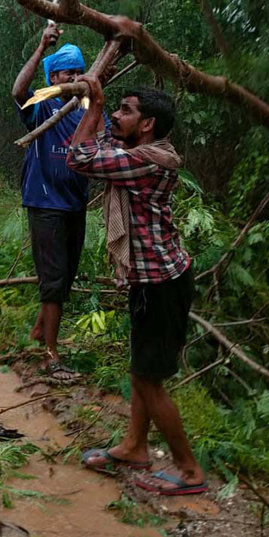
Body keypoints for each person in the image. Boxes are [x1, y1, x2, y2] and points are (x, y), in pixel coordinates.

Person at [66, 74, 206, 496]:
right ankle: (134, 446)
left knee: (149, 379)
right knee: (141, 369)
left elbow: (79, 157)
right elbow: (97, 148)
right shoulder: (141, 151)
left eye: (125, 110)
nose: (114, 114)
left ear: (147, 124)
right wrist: (98, 109)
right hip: (155, 280)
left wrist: (92, 107)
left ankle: (189, 470)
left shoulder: (147, 161)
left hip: (161, 283)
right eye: (116, 108)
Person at [11, 24, 103, 382]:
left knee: (64, 278)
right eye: (68, 72)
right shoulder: (44, 103)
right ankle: (51, 354)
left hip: (75, 203)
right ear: (54, 76)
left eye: (80, 72)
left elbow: (102, 142)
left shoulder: (86, 108)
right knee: (52, 279)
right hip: (45, 202)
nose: (76, 78)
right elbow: (19, 90)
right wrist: (40, 47)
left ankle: (38, 331)